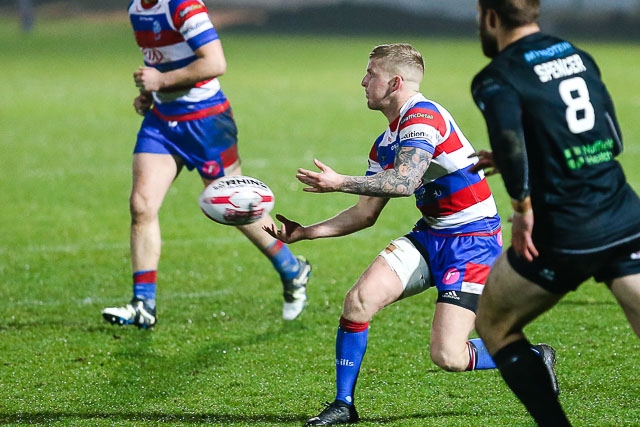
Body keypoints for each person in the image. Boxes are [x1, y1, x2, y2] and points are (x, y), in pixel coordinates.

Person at [263, 43, 557, 426]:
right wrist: (305, 233)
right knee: (358, 301)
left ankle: (534, 356)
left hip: (473, 242)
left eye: (372, 74)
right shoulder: (386, 142)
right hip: (431, 235)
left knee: (448, 356)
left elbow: (404, 181)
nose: (364, 81)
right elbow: (365, 214)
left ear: (395, 82)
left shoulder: (423, 117)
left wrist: (339, 182)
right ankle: (344, 404)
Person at [470, 1, 640, 425]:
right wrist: (524, 159)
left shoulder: (496, 77)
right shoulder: (575, 54)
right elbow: (612, 138)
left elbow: (511, 143)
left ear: (489, 15)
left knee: (494, 324)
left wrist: (521, 208)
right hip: (624, 215)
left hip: (566, 231)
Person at [101, 0, 311, 328]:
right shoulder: (137, 9)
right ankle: (144, 304)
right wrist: (153, 94)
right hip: (163, 122)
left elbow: (214, 62)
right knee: (141, 205)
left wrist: (162, 82)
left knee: (238, 210)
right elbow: (163, 64)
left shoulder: (184, 7)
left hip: (207, 123)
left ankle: (292, 269)